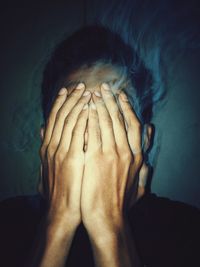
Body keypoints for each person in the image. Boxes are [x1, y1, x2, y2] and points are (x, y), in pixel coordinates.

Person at [0, 25, 200, 267]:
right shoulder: (6, 224)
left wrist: (109, 227)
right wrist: (57, 223)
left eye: (114, 114)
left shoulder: (187, 232)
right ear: (46, 140)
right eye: (73, 116)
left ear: (145, 140)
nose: (96, 136)